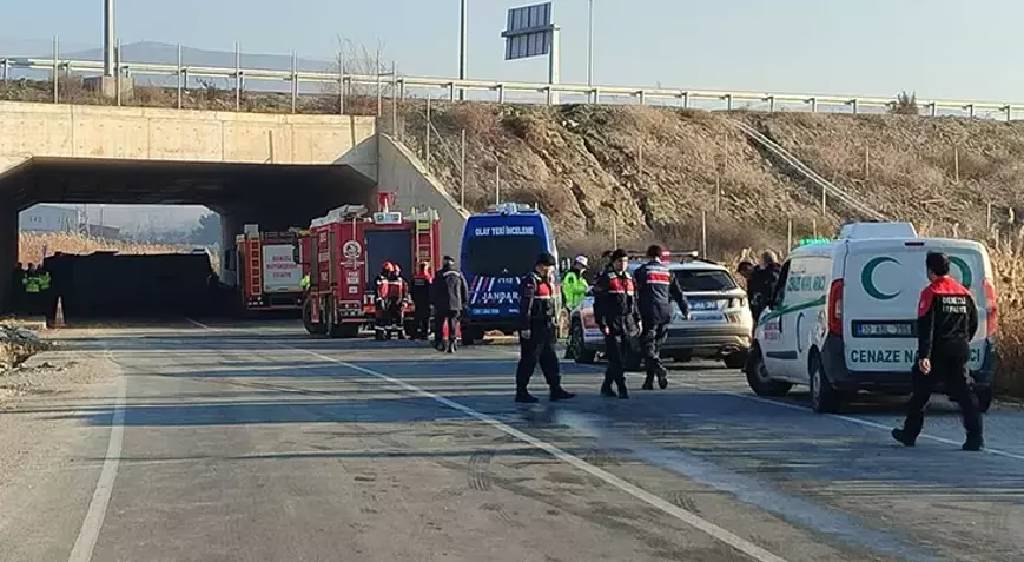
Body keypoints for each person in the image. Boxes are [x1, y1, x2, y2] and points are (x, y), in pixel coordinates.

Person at [892, 252, 984, 451]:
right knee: (965, 396)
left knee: (920, 394)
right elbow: (974, 323)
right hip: (959, 349)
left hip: (937, 351)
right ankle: (975, 438)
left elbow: (927, 326)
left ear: (930, 270)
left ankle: (909, 434)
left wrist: (924, 355)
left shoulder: (931, 292)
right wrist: (962, 341)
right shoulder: (964, 293)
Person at [515, 252, 575, 403]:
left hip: (548, 325)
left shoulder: (550, 281)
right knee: (529, 359)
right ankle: (521, 391)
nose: (549, 269)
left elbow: (555, 303)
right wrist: (525, 327)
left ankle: (555, 388)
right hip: (534, 325)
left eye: (551, 267)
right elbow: (525, 307)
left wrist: (559, 319)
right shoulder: (530, 281)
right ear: (538, 267)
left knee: (550, 359)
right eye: (546, 267)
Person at [635, 245, 689, 390]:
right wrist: (685, 310)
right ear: (660, 256)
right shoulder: (668, 272)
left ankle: (659, 368)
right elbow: (678, 293)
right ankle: (649, 381)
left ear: (648, 255)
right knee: (656, 346)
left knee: (647, 347)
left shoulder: (642, 271)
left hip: (648, 312)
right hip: (665, 312)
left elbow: (634, 292)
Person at [593, 249, 640, 399]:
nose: (623, 264)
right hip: (612, 321)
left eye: (625, 261)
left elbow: (634, 302)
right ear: (613, 262)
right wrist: (602, 323)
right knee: (616, 357)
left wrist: (638, 320)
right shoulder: (606, 278)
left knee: (624, 357)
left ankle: (606, 385)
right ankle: (622, 387)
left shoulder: (629, 278)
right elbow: (599, 304)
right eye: (620, 261)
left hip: (628, 322)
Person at [431, 256, 469, 352]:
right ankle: (452, 342)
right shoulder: (459, 274)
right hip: (456, 304)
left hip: (441, 304)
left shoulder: (439, 274)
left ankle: (440, 343)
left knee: (439, 324)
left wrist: (432, 302)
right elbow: (464, 289)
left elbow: (434, 289)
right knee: (453, 323)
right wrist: (464, 302)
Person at [748, 251, 781, 325]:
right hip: (777, 308)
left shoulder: (761, 275)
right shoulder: (781, 271)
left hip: (764, 308)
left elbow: (756, 291)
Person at [411, 261, 434, 340]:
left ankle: (413, 334)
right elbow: (430, 290)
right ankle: (425, 333)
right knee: (426, 318)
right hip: (426, 301)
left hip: (418, 301)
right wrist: (431, 301)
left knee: (417, 317)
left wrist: (414, 299)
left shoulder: (415, 278)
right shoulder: (428, 278)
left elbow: (412, 290)